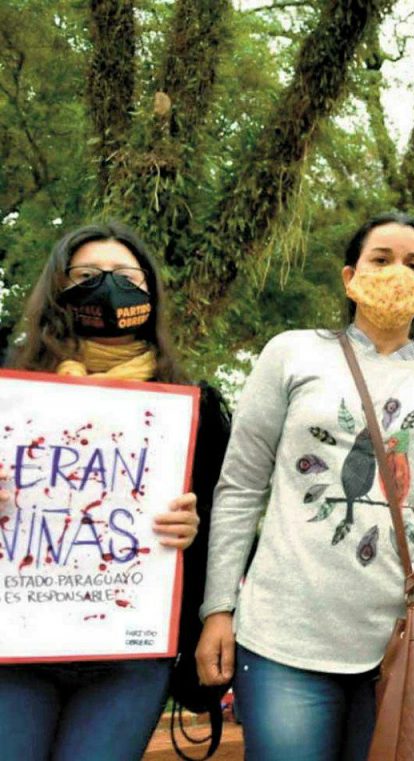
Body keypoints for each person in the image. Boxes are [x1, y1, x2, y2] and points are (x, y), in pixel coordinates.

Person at [196, 211, 414, 761]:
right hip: (286, 638)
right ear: (349, 277)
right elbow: (239, 487)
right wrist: (218, 609)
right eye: (381, 259)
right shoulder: (292, 353)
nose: (397, 271)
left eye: (413, 263)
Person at [0, 221, 228, 761]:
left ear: (150, 293)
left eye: (126, 276)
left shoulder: (195, 408)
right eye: (87, 275)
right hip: (15, 646)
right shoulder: (10, 392)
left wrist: (189, 531)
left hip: (128, 657)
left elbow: (223, 533)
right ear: (57, 288)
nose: (108, 285)